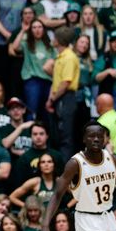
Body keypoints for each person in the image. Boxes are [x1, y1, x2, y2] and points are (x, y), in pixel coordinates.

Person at [46, 27, 80, 159]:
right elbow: (56, 81)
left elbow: (65, 83)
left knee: (66, 135)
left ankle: (65, 167)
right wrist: (51, 99)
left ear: (59, 40)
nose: (53, 40)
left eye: (55, 37)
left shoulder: (69, 57)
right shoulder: (60, 57)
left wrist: (52, 99)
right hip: (59, 98)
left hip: (66, 98)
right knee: (57, 135)